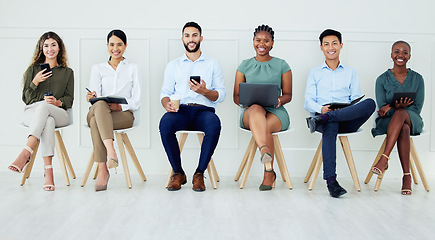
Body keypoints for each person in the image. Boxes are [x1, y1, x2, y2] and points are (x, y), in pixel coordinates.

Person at [304, 29, 375, 198]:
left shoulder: (350, 71)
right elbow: (308, 102)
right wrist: (322, 110)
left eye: (334, 43)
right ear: (321, 47)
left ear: (341, 45)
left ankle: (329, 117)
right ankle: (331, 182)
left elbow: (357, 99)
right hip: (323, 118)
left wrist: (345, 109)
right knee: (331, 123)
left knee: (370, 103)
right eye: (326, 44)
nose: (331, 47)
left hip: (347, 118)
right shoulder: (315, 72)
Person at [159, 22, 226, 192]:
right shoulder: (173, 65)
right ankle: (179, 173)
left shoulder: (212, 64)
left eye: (194, 35)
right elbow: (165, 92)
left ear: (201, 38)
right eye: (187, 35)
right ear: (182, 39)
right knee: (165, 123)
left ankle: (199, 173)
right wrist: (166, 103)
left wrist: (204, 91)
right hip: (180, 110)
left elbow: (221, 94)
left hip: (203, 111)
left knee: (214, 124)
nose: (191, 39)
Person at [8, 32, 74, 191]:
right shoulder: (32, 70)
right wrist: (35, 82)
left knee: (46, 108)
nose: (50, 49)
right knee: (47, 120)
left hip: (59, 113)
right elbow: (27, 99)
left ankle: (26, 152)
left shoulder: (67, 72)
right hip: (33, 112)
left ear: (59, 48)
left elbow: (69, 99)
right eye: (46, 45)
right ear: (41, 48)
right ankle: (48, 172)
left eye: (53, 45)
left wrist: (57, 102)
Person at [233, 24, 292, 191]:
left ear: (272, 43)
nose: (262, 44)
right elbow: (236, 96)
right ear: (253, 41)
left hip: (276, 111)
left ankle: (268, 168)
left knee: (263, 125)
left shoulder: (282, 65)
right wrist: (245, 102)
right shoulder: (244, 66)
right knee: (257, 110)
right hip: (250, 112)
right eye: (258, 40)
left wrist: (279, 100)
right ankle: (266, 157)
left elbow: (288, 94)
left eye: (266, 41)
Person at [86, 29, 141, 191]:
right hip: (100, 110)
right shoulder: (98, 68)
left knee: (96, 121)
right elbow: (94, 100)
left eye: (119, 44)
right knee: (100, 104)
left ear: (125, 46)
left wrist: (120, 106)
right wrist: (91, 97)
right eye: (111, 44)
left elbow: (136, 100)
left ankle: (103, 169)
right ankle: (111, 151)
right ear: (107, 46)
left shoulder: (133, 68)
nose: (115, 48)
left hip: (124, 115)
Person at [371, 41, 424, 195]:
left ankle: (384, 159)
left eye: (405, 52)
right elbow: (382, 110)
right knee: (403, 127)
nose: (400, 55)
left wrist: (394, 106)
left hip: (412, 119)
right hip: (387, 121)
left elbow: (417, 108)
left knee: (402, 116)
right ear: (391, 55)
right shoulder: (382, 79)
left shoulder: (418, 79)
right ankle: (406, 176)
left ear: (409, 56)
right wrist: (393, 108)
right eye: (397, 51)